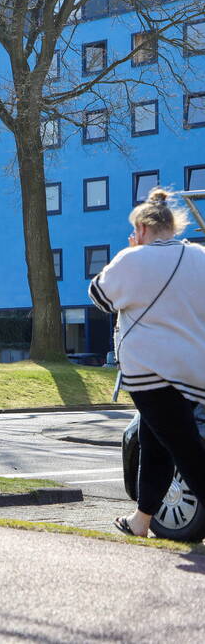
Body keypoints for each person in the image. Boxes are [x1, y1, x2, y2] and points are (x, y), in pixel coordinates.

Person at [89, 188, 205, 537]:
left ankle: (141, 519)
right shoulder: (199, 256)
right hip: (193, 370)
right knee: (156, 441)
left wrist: (131, 254)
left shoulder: (132, 258)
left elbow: (99, 296)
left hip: (150, 373)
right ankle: (141, 520)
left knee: (184, 447)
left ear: (141, 229)